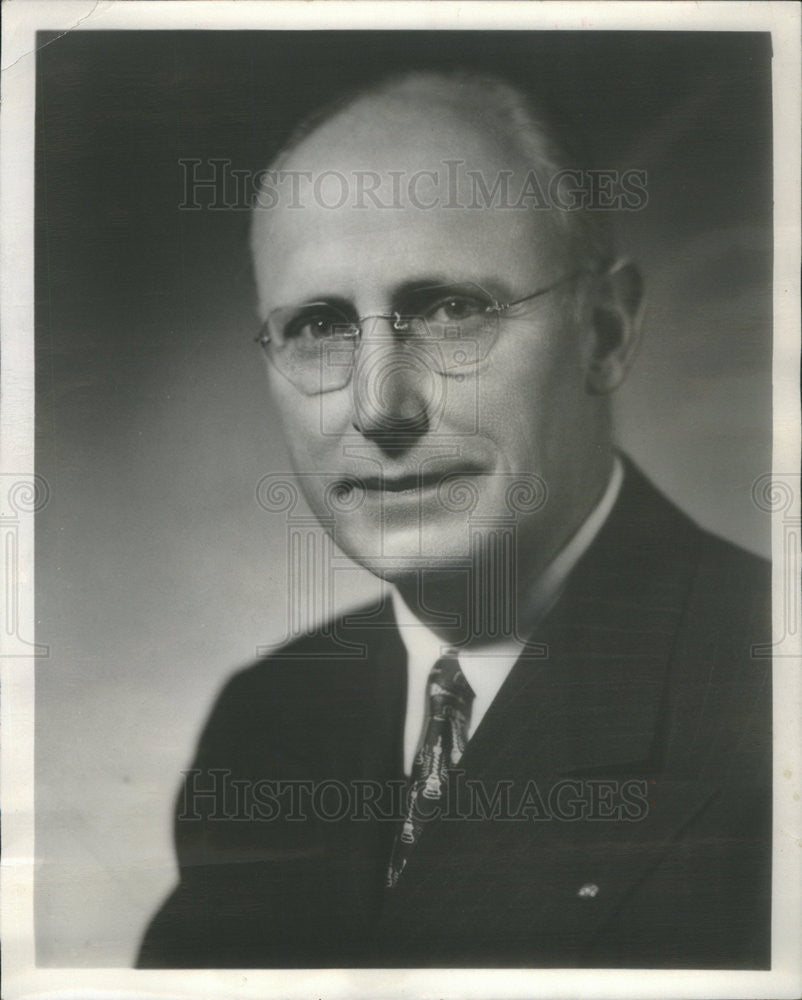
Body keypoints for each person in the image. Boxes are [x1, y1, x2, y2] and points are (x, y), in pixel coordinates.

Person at [137, 70, 771, 969]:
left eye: (449, 310)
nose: (380, 407)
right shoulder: (270, 721)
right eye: (320, 325)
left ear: (606, 332)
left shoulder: (770, 700)